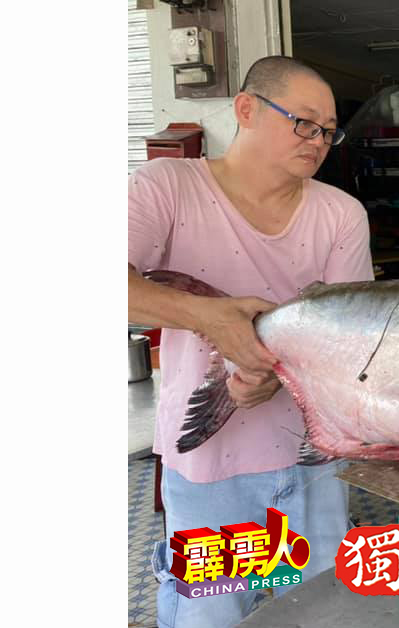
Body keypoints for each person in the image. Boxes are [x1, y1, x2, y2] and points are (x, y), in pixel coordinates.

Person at [128, 56, 373, 628]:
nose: (318, 141)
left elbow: (350, 335)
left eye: (328, 131)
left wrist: (268, 369)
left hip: (314, 456)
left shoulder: (341, 214)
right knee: (209, 617)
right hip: (211, 465)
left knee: (323, 611)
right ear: (246, 109)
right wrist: (210, 319)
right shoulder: (166, 187)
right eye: (303, 122)